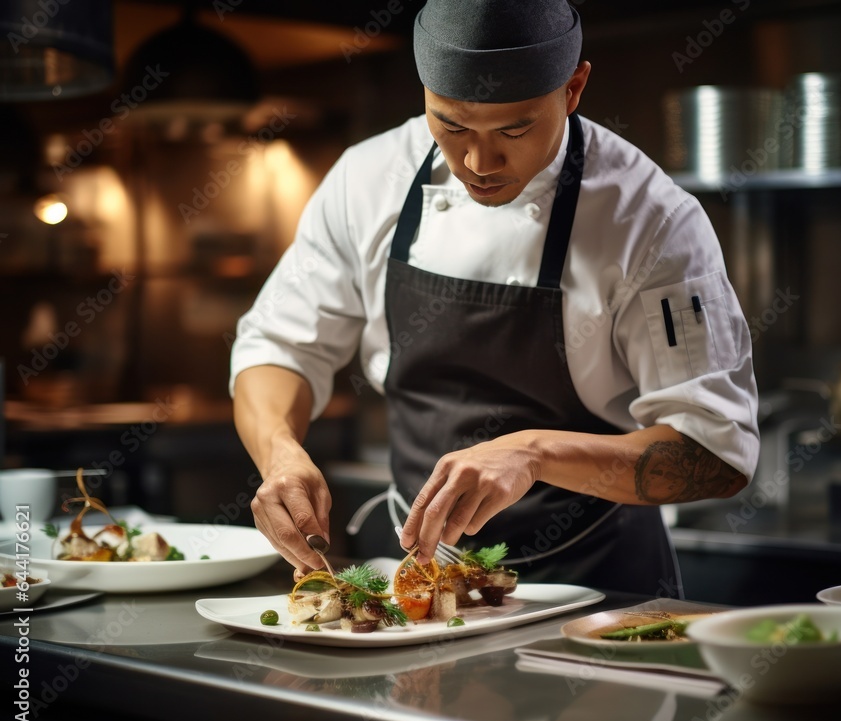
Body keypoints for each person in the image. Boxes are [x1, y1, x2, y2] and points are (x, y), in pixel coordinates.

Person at [230, 0, 759, 596]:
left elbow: (714, 455)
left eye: (515, 129)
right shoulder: (366, 179)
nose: (479, 164)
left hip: (597, 588)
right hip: (418, 578)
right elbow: (278, 345)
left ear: (574, 87)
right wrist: (279, 451)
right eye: (451, 126)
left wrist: (534, 453)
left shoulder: (651, 222)